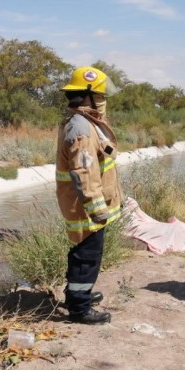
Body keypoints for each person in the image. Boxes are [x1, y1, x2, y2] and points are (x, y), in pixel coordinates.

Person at [55, 66, 123, 325]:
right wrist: (96, 206)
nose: (104, 101)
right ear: (87, 96)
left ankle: (78, 295)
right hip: (83, 204)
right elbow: (84, 172)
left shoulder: (84, 122)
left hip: (85, 202)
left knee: (86, 252)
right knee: (86, 255)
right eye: (101, 95)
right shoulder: (81, 129)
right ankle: (79, 308)